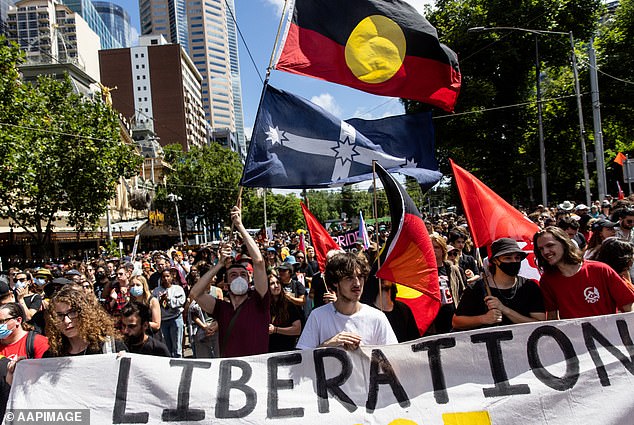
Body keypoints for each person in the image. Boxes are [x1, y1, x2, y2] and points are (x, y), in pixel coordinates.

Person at [191, 205, 270, 357]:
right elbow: (195, 293)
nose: (239, 277)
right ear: (226, 285)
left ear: (249, 282)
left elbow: (259, 262)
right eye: (233, 275)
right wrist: (219, 264)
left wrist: (240, 226)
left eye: (243, 274)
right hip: (231, 374)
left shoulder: (259, 302)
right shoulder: (221, 309)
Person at [296, 252, 397, 350]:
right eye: (349, 278)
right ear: (335, 282)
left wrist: (363, 352)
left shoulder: (377, 317)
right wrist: (327, 346)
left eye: (360, 277)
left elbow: (393, 360)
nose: (357, 283)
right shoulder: (317, 316)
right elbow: (304, 361)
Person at [534, 227, 634, 319]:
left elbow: (629, 307)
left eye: (550, 245)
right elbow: (552, 317)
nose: (546, 252)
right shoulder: (547, 280)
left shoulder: (600, 270)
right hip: (572, 338)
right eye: (541, 249)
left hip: (609, 336)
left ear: (564, 244)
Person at [453, 238, 545, 330]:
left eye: (517, 258)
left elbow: (540, 323)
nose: (514, 262)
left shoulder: (530, 287)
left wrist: (504, 310)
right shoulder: (477, 288)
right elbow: (456, 322)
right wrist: (483, 319)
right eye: (508, 258)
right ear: (495, 261)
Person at [45, 286, 127, 356]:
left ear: (86, 314)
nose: (66, 321)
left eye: (73, 312)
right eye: (59, 315)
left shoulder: (110, 346)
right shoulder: (52, 355)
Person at [428, 235, 467, 334]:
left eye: (436, 247)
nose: (433, 250)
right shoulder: (422, 272)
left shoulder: (453, 270)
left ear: (443, 250)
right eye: (430, 247)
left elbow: (462, 292)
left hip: (453, 318)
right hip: (433, 321)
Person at [151, 269, 186, 358]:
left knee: (177, 346)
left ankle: (178, 361)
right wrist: (160, 300)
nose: (166, 279)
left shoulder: (178, 289)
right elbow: (152, 304)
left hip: (175, 318)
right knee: (167, 345)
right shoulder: (156, 291)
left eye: (167, 276)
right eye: (163, 277)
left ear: (171, 277)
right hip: (163, 320)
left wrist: (169, 300)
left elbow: (181, 302)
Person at [268, 271, 303, 352]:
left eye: (278, 283)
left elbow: (297, 329)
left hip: (286, 350)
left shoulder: (289, 305)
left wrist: (276, 330)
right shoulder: (264, 307)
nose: (276, 286)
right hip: (268, 352)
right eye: (272, 284)